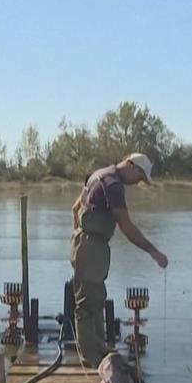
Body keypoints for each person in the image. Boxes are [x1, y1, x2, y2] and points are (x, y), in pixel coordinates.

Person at [70, 153, 168, 366]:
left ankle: (98, 346)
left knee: (96, 297)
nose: (137, 183)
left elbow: (75, 208)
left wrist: (77, 237)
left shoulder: (99, 174)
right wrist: (154, 252)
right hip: (91, 246)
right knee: (86, 305)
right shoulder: (113, 184)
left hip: (89, 245)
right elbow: (126, 226)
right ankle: (90, 358)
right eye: (140, 178)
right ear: (132, 166)